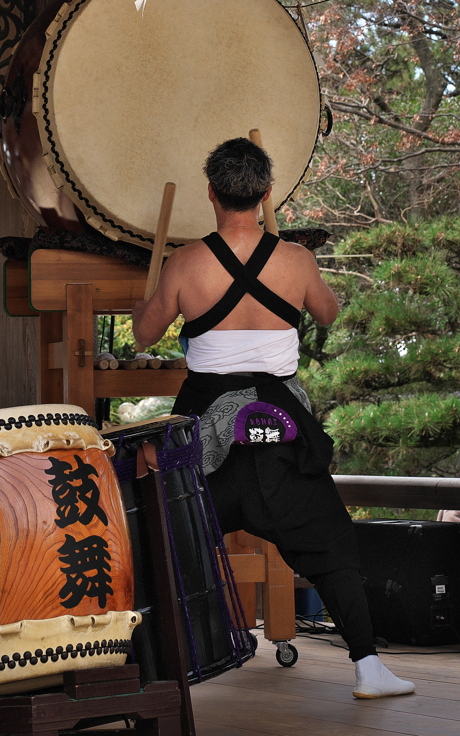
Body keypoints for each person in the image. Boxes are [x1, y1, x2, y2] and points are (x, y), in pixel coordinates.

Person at [132, 137, 415, 699]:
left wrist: (149, 305)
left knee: (167, 540)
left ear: (210, 193)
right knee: (331, 546)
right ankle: (368, 669)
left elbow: (144, 333)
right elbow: (328, 312)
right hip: (279, 431)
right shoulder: (296, 260)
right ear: (265, 195)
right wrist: (291, 280)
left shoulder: (185, 263)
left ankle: (154, 675)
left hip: (207, 437)